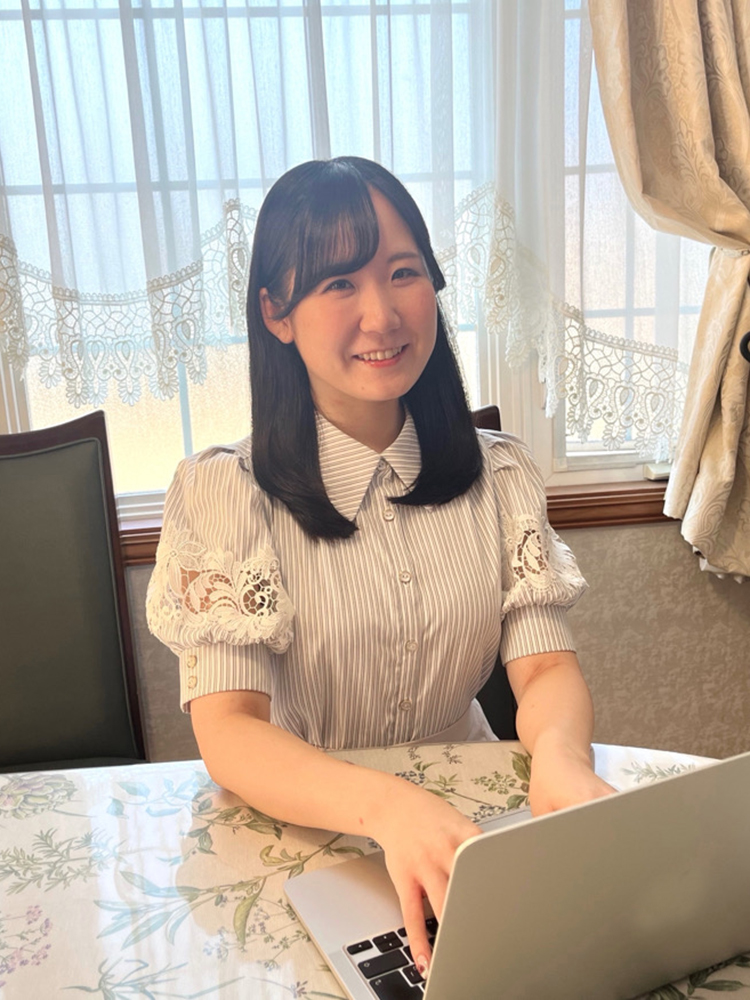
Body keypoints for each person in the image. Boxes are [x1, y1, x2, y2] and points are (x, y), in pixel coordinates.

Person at [146, 156, 615, 980]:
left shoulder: (501, 473)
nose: (383, 314)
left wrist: (561, 759)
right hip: (304, 833)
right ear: (276, 313)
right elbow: (230, 731)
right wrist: (390, 807)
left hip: (473, 834)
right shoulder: (226, 493)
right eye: (339, 284)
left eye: (403, 273)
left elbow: (543, 671)